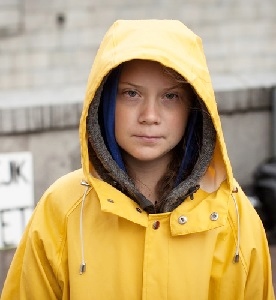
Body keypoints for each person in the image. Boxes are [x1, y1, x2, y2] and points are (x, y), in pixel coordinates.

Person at [1, 19, 275, 300]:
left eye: (170, 96)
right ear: (105, 101)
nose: (149, 115)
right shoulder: (62, 209)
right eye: (131, 94)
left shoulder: (233, 216)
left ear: (194, 108)